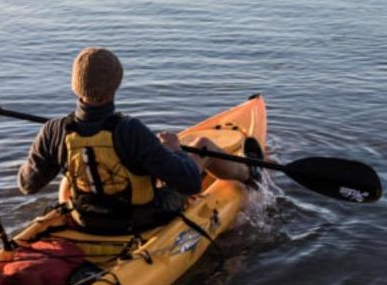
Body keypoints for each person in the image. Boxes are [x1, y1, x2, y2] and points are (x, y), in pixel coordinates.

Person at [17, 47, 250, 234]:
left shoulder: (53, 130)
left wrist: (50, 149)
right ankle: (250, 176)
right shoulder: (130, 130)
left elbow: (27, 185)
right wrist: (175, 150)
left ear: (75, 86)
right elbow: (189, 184)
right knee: (203, 146)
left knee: (69, 179)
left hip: (85, 219)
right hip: (140, 221)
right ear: (116, 85)